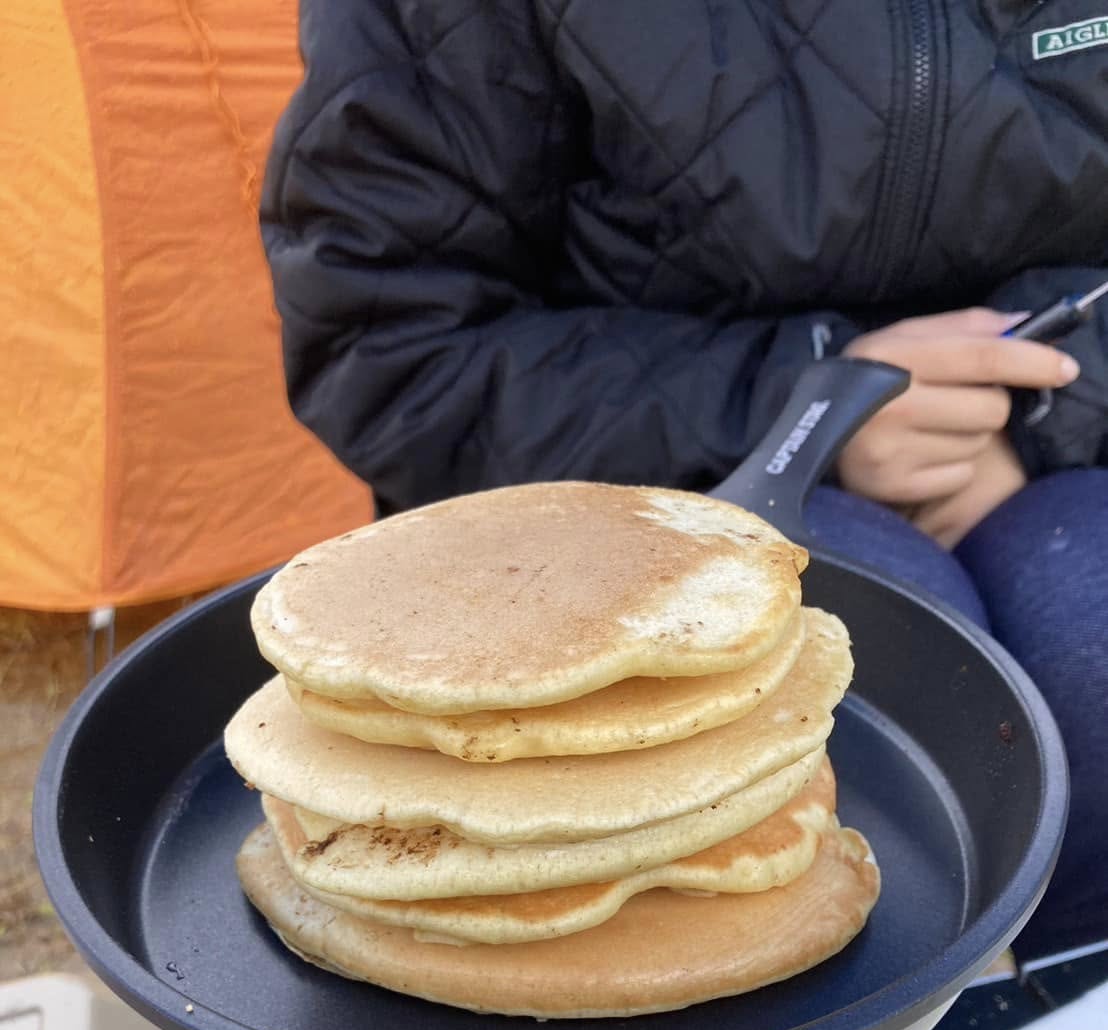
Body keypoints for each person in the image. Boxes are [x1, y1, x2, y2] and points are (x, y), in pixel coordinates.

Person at [259, 1, 1107, 961]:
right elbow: (391, 346)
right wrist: (804, 399)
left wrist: (1041, 406)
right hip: (653, 491)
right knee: (852, 743)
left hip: (1041, 445)